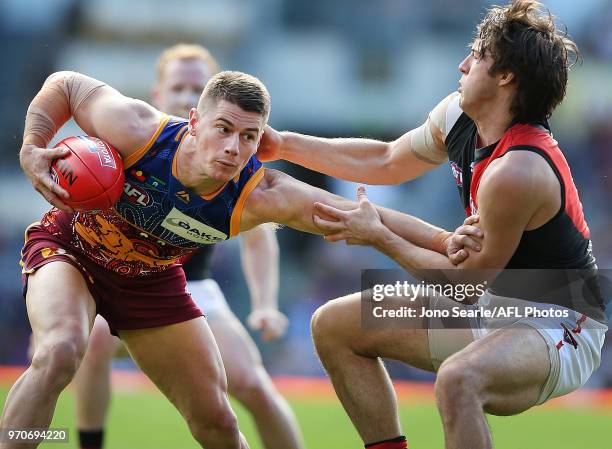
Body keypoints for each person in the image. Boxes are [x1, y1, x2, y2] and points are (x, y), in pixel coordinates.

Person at [2, 63, 475, 449]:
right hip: (72, 249)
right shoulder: (137, 129)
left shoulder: (262, 193)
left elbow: (368, 215)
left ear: (261, 141)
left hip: (151, 281)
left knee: (219, 423)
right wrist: (31, 147)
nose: (233, 147)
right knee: (60, 352)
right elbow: (64, 85)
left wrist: (445, 242)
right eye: (223, 129)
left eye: (249, 137)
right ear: (193, 121)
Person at [257, 1, 608, 448]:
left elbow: (462, 289)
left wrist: (379, 236)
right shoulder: (459, 117)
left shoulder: (518, 171)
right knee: (333, 326)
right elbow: (386, 160)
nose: (463, 64)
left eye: (478, 54)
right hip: (494, 301)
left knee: (460, 379)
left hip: (560, 320)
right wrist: (285, 144)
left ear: (505, 76)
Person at [70, 44, 304, 449]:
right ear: (158, 94)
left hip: (192, 291)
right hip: (115, 281)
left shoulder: (230, 160)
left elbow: (260, 236)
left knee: (255, 386)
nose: (184, 95)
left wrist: (265, 304)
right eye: (177, 86)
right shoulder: (134, 137)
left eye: (195, 87)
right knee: (86, 345)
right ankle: (91, 444)